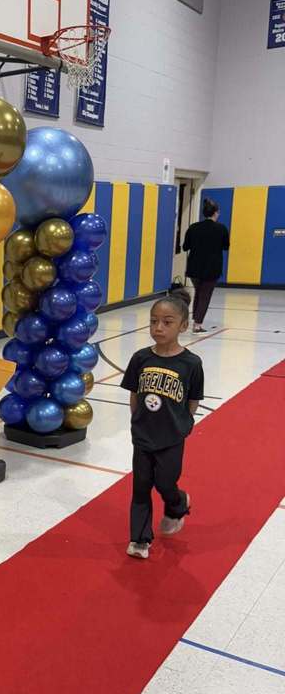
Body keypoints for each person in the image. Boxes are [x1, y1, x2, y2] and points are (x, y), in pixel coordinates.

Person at [120, 290, 204, 560]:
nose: (158, 327)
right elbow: (134, 394)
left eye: (167, 322)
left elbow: (193, 399)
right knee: (141, 486)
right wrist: (137, 421)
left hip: (171, 437)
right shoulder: (140, 358)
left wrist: (183, 423)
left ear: (183, 326)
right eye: (153, 321)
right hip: (143, 435)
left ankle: (178, 504)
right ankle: (140, 539)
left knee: (166, 482)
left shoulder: (191, 363)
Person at [182, 197, 230, 333]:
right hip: (212, 268)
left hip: (194, 267)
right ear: (215, 213)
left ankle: (194, 319)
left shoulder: (193, 227)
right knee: (205, 295)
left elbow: (185, 247)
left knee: (198, 292)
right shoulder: (221, 229)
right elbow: (226, 246)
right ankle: (197, 324)